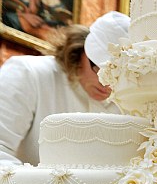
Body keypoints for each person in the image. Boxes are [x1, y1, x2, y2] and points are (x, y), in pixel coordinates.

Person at [0, 11, 130, 166]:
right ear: (81, 50)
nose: (108, 84)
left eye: (119, 76)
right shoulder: (27, 73)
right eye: (100, 70)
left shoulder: (129, 101)